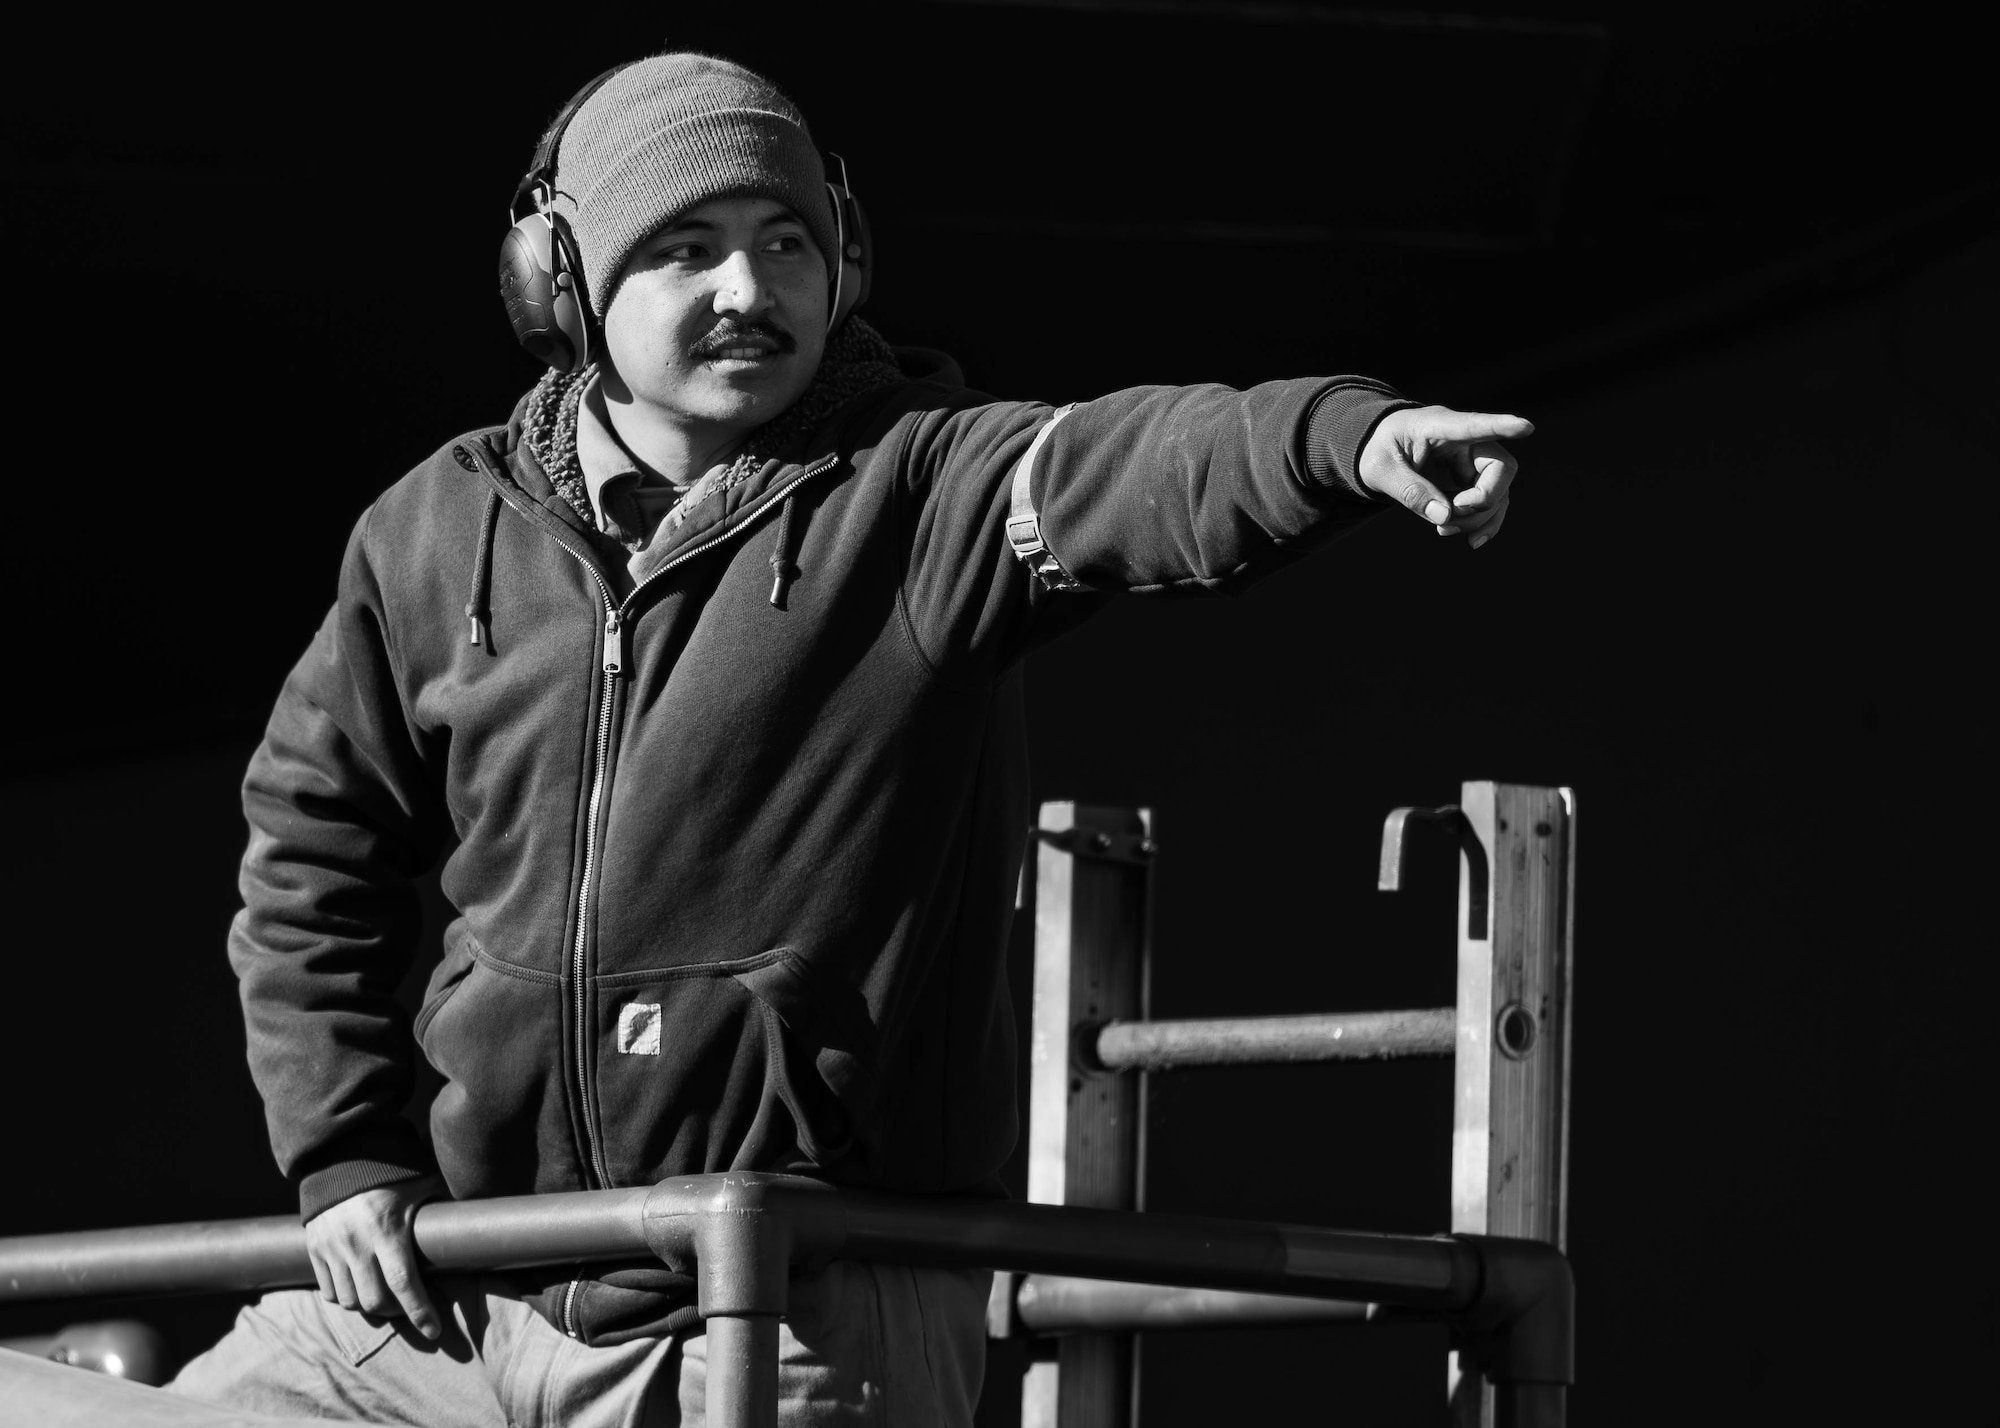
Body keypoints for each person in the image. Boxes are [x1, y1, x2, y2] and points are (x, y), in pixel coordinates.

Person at [168, 50, 1527, 1428]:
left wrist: (1347, 442)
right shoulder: (428, 533)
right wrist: (346, 1163)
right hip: (463, 1293)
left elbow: (1128, 465)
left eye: (785, 244)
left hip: (789, 1303)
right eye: (687, 251)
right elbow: (307, 856)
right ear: (564, 284)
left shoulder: (926, 488)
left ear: (846, 260)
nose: (750, 291)